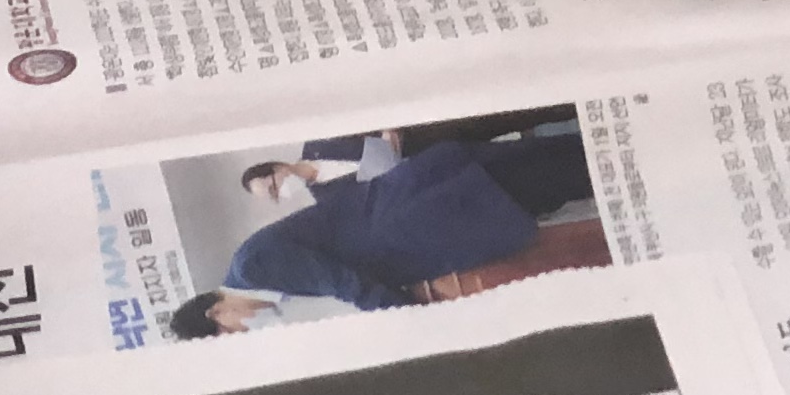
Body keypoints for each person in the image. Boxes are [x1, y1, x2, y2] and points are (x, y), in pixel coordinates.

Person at [213, 126, 599, 312]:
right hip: (435, 193)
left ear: (214, 314)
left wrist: (409, 321)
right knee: (564, 164)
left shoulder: (252, 268)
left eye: (228, 334)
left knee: (570, 170)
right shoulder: (257, 270)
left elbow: (347, 283)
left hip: (439, 207)